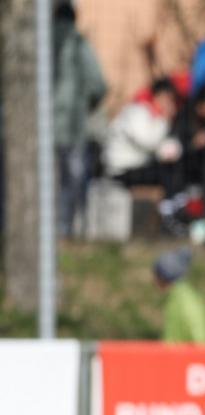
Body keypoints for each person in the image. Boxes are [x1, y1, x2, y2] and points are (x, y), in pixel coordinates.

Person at [53, 1, 106, 238]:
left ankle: (47, 231)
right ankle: (70, 229)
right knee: (73, 179)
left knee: (47, 180)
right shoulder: (77, 42)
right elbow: (98, 84)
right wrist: (88, 103)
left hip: (40, 130)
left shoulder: (34, 43)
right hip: (72, 125)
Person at [102, 79, 182, 196]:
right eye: (168, 99)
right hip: (121, 168)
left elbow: (170, 148)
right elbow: (148, 141)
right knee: (167, 173)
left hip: (136, 166)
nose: (170, 104)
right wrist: (165, 120)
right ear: (159, 96)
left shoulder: (155, 118)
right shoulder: (137, 111)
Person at [154, 248, 205, 344]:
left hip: (186, 358)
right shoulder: (182, 296)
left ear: (163, 276)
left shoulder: (182, 300)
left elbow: (200, 340)